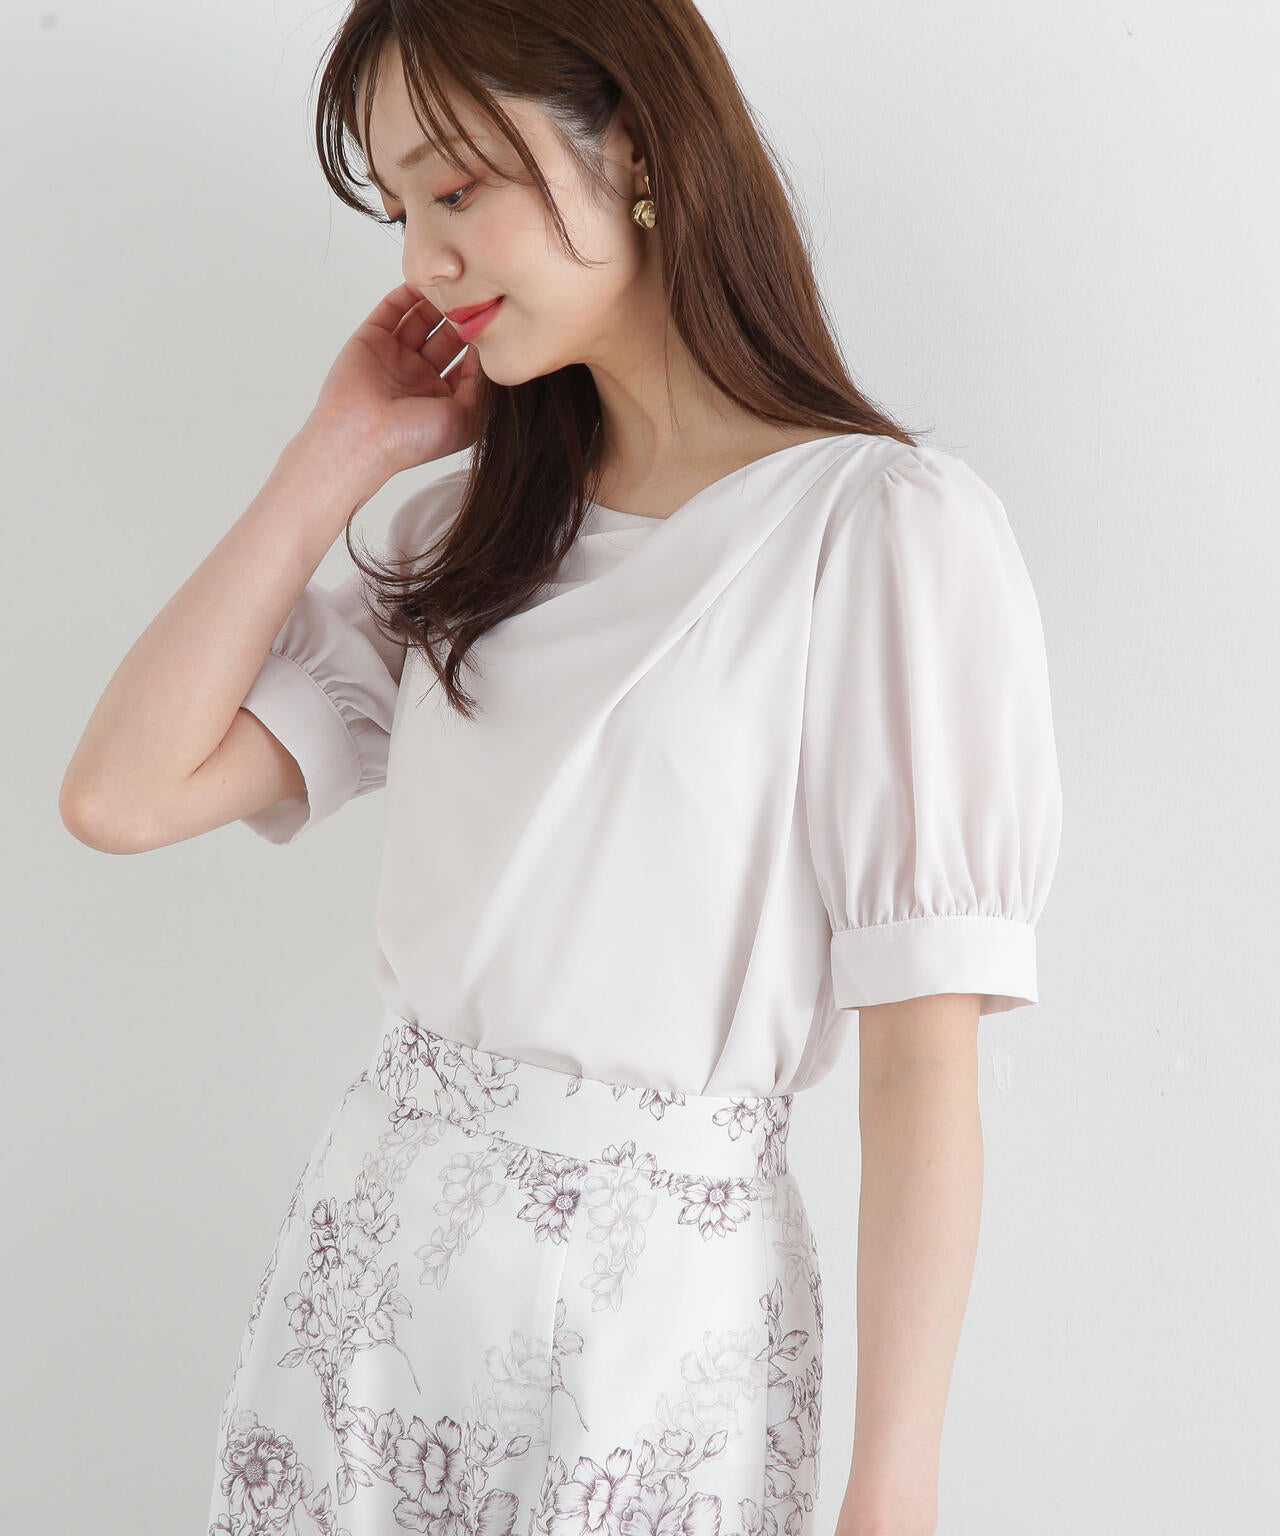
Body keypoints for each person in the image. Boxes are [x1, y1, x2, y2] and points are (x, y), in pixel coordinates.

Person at [59, 4, 1063, 1535]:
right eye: (400, 211)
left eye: (458, 188)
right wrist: (338, 453)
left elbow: (922, 1056)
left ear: (639, 149)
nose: (423, 260)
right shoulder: (462, 540)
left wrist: (894, 1482)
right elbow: (122, 795)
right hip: (370, 1305)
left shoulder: (880, 536)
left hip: (659, 1338)